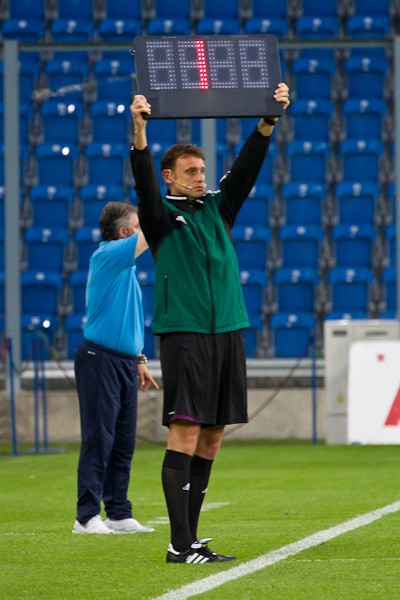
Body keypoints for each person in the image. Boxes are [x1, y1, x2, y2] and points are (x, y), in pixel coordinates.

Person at [129, 83, 290, 562]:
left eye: (202, 171)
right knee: (186, 430)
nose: (200, 178)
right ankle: (178, 545)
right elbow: (143, 184)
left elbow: (245, 170)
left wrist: (268, 121)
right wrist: (139, 133)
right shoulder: (160, 217)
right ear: (170, 177)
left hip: (228, 333)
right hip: (186, 333)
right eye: (191, 172)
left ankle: (191, 539)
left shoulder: (219, 208)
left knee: (214, 435)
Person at [72, 201, 159, 534]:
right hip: (100, 359)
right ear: (123, 233)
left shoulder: (123, 268)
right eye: (136, 226)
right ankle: (85, 516)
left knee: (123, 441)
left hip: (122, 361)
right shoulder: (107, 254)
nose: (140, 231)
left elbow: (125, 319)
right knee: (99, 438)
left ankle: (118, 513)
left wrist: (139, 359)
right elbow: (154, 229)